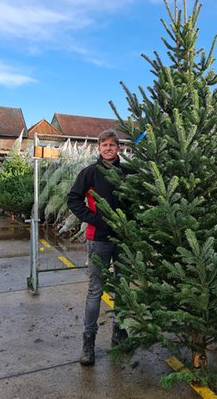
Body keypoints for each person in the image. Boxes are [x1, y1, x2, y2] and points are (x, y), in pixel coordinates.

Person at [67, 129, 130, 366]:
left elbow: (137, 200)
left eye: (112, 145)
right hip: (98, 240)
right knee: (95, 290)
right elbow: (73, 199)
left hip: (124, 239)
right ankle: (88, 342)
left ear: (118, 148)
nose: (108, 148)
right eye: (104, 145)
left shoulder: (127, 173)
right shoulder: (90, 173)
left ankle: (119, 332)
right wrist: (93, 218)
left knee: (122, 289)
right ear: (99, 148)